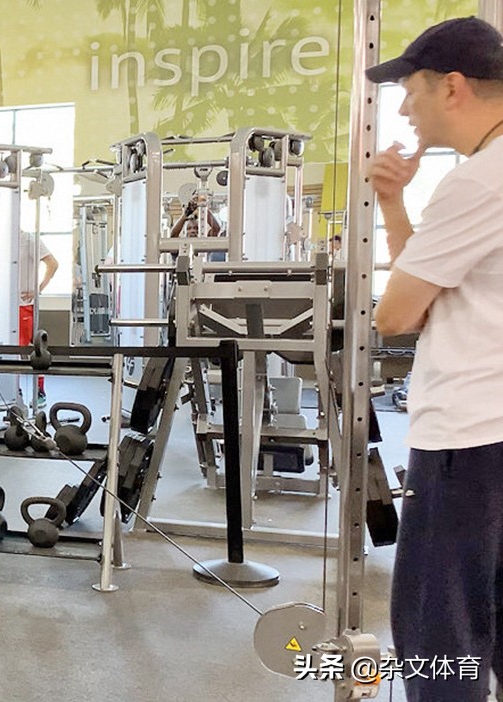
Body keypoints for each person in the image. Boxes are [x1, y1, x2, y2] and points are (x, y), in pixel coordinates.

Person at [367, 17, 503, 701]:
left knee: (439, 643)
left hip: (468, 443)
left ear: (451, 87)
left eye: (410, 91)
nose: (403, 108)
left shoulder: (480, 180)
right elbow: (438, 283)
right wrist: (393, 203)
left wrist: (397, 206)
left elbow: (396, 314)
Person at [18, 231, 58, 407]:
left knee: (29, 349)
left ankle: (39, 390)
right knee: (7, 349)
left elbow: (53, 263)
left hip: (24, 305)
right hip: (2, 305)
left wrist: (38, 288)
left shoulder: (29, 239)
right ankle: (13, 391)